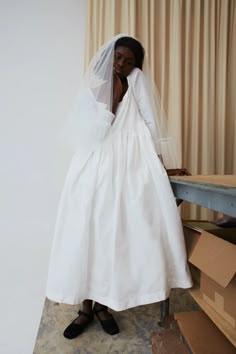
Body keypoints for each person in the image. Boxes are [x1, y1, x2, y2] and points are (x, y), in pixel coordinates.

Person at [46, 34, 192, 339]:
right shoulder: (95, 87)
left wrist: (161, 164)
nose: (121, 64)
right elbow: (92, 133)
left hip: (129, 166)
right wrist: (109, 95)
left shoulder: (136, 81)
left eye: (128, 61)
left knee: (115, 233)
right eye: (118, 57)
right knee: (87, 231)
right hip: (94, 167)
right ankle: (85, 309)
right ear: (110, 57)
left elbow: (150, 123)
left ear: (135, 65)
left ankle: (104, 305)